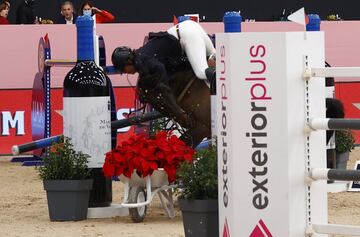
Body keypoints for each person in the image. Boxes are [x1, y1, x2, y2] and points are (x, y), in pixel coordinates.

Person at [111, 20, 215, 128]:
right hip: (189, 27)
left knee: (201, 72)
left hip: (186, 34)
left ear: (128, 62)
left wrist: (165, 87)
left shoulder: (142, 61)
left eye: (123, 70)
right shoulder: (141, 56)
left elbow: (159, 68)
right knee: (215, 59)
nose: (126, 73)